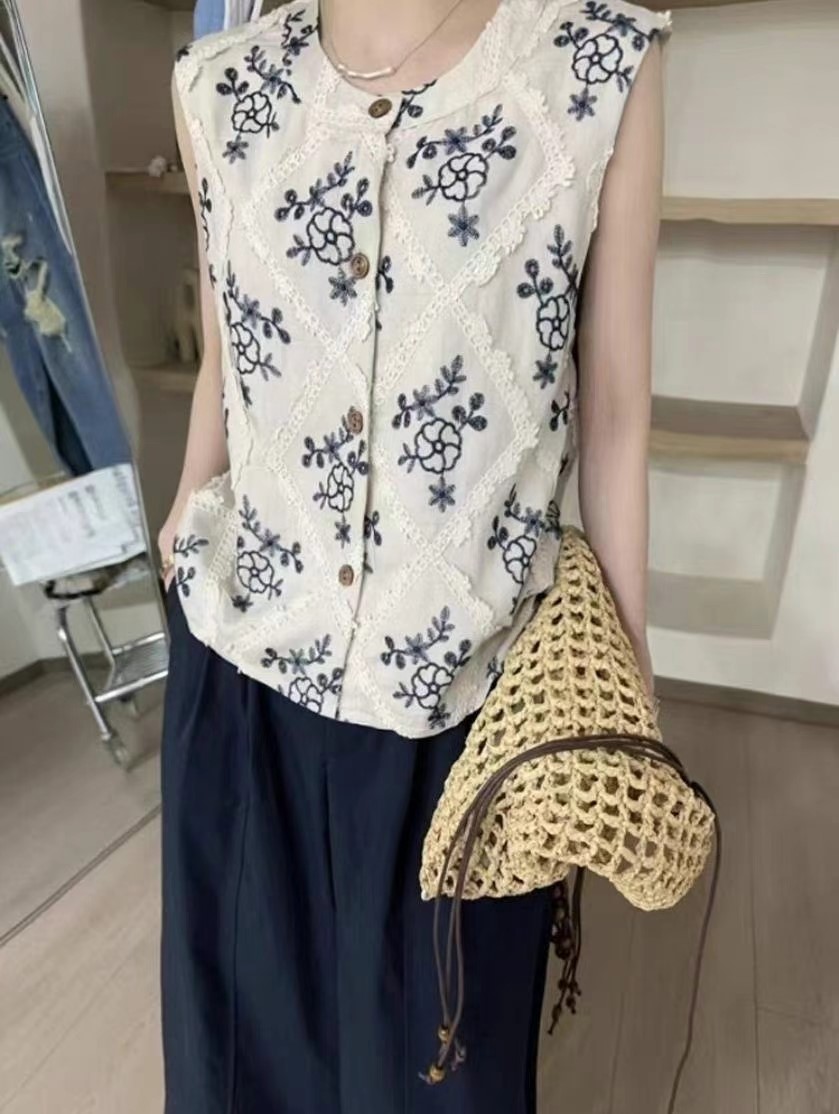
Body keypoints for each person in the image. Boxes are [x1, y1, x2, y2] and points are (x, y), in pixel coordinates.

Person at [157, 0, 670, 1110]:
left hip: (468, 703)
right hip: (243, 673)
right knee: (244, 1072)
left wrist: (621, 691)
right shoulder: (216, 85)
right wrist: (187, 498)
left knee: (443, 1080)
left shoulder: (593, 64)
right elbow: (225, 348)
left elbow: (616, 409)